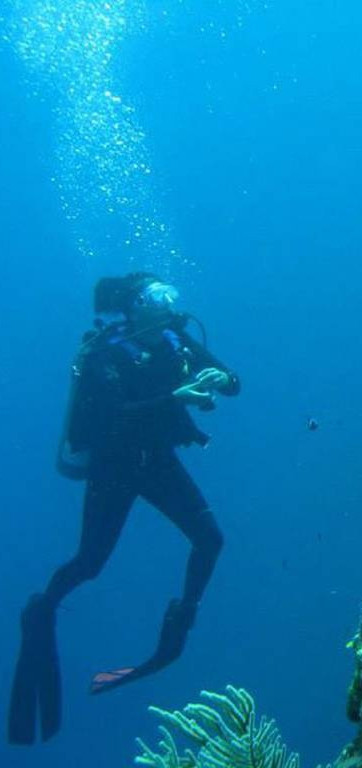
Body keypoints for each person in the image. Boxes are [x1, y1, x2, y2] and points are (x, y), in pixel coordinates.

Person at [7, 272, 240, 745]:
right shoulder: (106, 351)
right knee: (90, 563)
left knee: (211, 538)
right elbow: (115, 413)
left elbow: (234, 383)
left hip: (156, 462)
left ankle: (179, 625)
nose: (168, 301)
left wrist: (223, 377)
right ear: (134, 306)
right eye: (156, 296)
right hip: (113, 470)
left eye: (168, 293)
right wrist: (175, 397)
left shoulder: (179, 339)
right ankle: (43, 607)